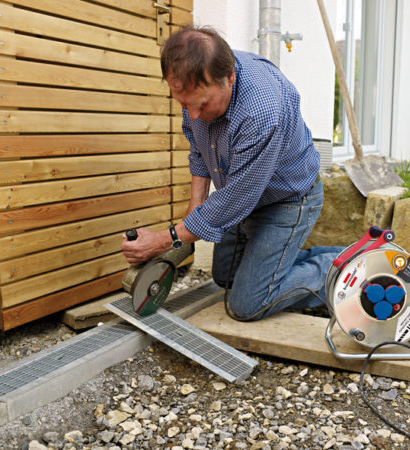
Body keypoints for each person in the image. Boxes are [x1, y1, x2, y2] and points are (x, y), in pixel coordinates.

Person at [121, 25, 342, 320]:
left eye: (200, 104)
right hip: (245, 194)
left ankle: (348, 264)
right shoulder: (195, 83)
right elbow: (199, 146)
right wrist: (194, 209)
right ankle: (280, 265)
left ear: (230, 78)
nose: (193, 113)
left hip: (288, 199)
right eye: (184, 104)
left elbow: (234, 200)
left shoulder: (260, 112)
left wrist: (165, 239)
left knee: (248, 303)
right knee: (225, 278)